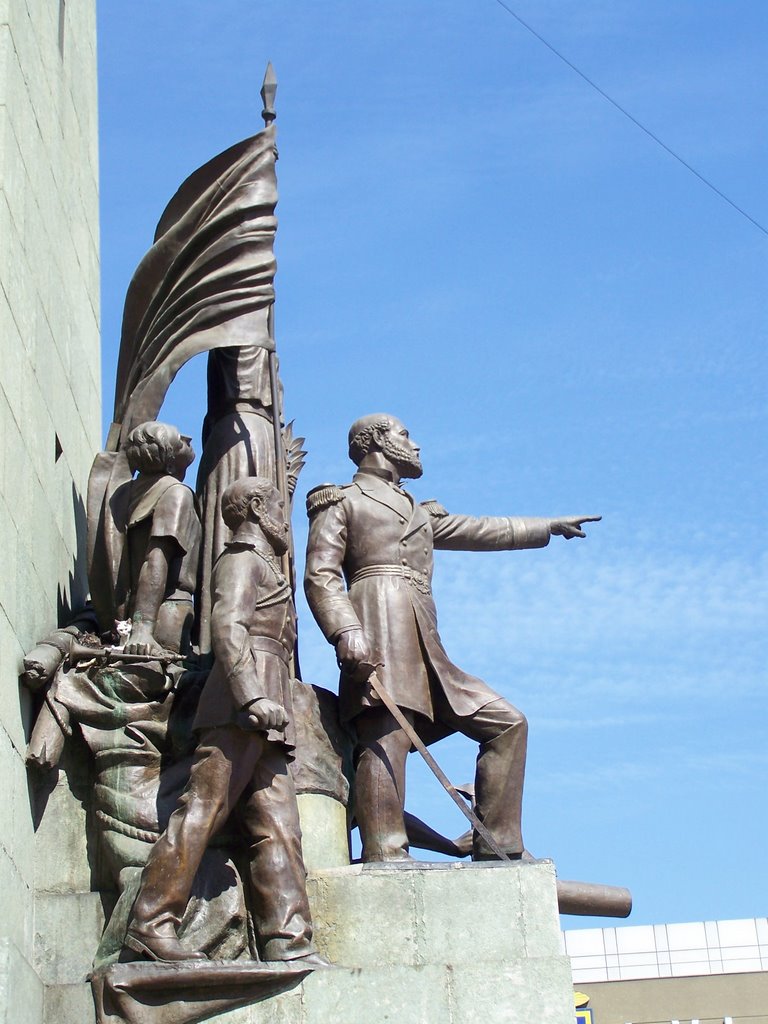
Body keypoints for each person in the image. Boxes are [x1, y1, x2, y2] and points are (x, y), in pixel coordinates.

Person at [304, 413, 599, 864]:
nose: (416, 444)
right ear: (375, 442)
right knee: (386, 736)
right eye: (405, 434)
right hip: (378, 620)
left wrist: (546, 526)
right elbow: (320, 574)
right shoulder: (342, 501)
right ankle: (386, 852)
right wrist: (346, 631)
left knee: (507, 722)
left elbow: (479, 529)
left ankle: (497, 845)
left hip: (425, 641)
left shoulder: (416, 510)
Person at [126, 477, 324, 966]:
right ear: (257, 507)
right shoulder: (239, 560)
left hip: (268, 708)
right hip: (240, 706)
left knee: (279, 825)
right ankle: (150, 924)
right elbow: (228, 627)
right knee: (202, 811)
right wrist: (252, 696)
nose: (284, 517)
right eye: (278, 504)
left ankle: (288, 940)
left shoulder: (264, 564)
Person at [122, 421, 200, 656]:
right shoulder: (175, 493)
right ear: (169, 462)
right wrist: (143, 628)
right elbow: (156, 559)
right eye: (179, 442)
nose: (187, 439)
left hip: (132, 611)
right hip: (165, 614)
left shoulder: (124, 493)